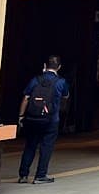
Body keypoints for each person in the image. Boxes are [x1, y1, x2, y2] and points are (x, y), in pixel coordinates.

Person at [16, 56, 69, 185]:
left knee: (30, 146)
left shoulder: (36, 80)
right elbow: (66, 96)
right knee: (46, 147)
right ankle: (40, 175)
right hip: (51, 120)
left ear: (45, 65)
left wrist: (21, 116)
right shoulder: (61, 82)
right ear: (59, 67)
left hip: (33, 118)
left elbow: (26, 98)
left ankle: (23, 175)